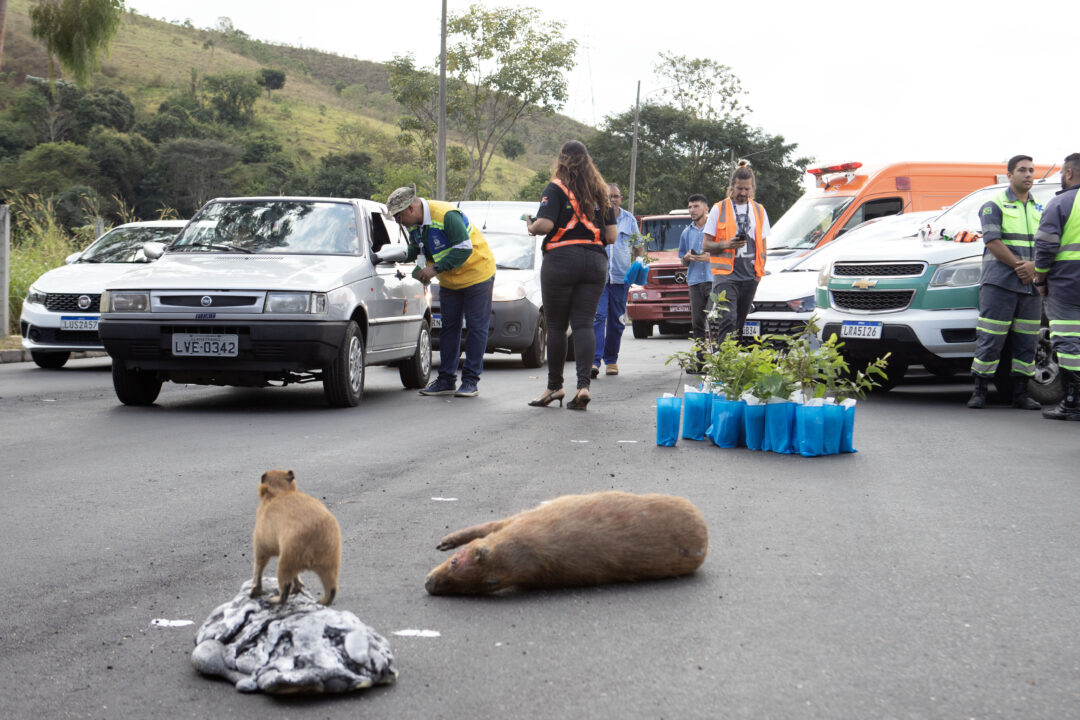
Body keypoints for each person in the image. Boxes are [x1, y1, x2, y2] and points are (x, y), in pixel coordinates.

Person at [525, 140, 617, 410]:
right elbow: (610, 236)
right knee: (584, 325)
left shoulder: (555, 188)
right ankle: (583, 386)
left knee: (555, 326)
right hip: (595, 262)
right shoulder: (602, 192)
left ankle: (554, 387)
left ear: (562, 160)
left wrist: (531, 226)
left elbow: (545, 225)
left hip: (562, 260)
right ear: (588, 161)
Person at [387, 184, 496, 398]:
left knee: (476, 328)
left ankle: (470, 381)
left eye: (399, 217)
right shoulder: (415, 225)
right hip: (450, 280)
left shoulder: (445, 215)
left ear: (410, 209)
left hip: (477, 274)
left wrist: (434, 269)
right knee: (449, 328)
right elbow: (416, 251)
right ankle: (446, 379)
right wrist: (392, 255)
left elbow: (464, 249)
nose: (399, 223)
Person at [968, 155, 1043, 410]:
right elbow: (992, 241)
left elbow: (1045, 244)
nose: (1028, 175)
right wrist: (1020, 267)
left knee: (1027, 341)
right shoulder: (994, 204)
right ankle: (979, 391)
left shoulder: (1038, 207)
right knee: (990, 338)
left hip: (1030, 285)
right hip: (1000, 283)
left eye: (1032, 170)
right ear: (1009, 175)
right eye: (1022, 170)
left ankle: (1020, 394)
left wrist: (1034, 268)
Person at [1034, 152, 1080, 420]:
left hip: (1067, 283)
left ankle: (1073, 401)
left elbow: (1046, 245)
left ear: (1070, 173)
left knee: (1069, 343)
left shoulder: (1062, 203)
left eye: (1062, 173)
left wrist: (1040, 278)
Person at [701, 164, 770, 344]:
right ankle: (725, 365)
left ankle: (735, 363)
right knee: (728, 319)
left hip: (750, 276)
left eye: (747, 189)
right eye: (739, 188)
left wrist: (758, 274)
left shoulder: (759, 210)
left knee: (739, 323)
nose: (743, 192)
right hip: (726, 276)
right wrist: (726, 244)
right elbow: (705, 245)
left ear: (752, 188)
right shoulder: (719, 208)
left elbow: (763, 246)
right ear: (732, 186)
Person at [591, 183, 643, 378]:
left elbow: (639, 246)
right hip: (599, 277)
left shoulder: (629, 220)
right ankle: (594, 362)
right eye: (609, 196)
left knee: (617, 321)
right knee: (599, 317)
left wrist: (640, 263)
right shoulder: (595, 218)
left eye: (616, 196)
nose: (613, 200)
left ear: (621, 198)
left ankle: (611, 360)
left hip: (622, 278)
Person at [677, 193, 711, 371]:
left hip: (713, 281)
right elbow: (682, 260)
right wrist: (687, 257)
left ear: (706, 208)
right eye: (690, 207)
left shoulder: (714, 229)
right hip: (695, 282)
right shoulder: (686, 232)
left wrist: (708, 258)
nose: (692, 210)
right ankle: (700, 361)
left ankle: (716, 361)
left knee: (714, 322)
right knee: (697, 322)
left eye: (696, 206)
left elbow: (725, 254)